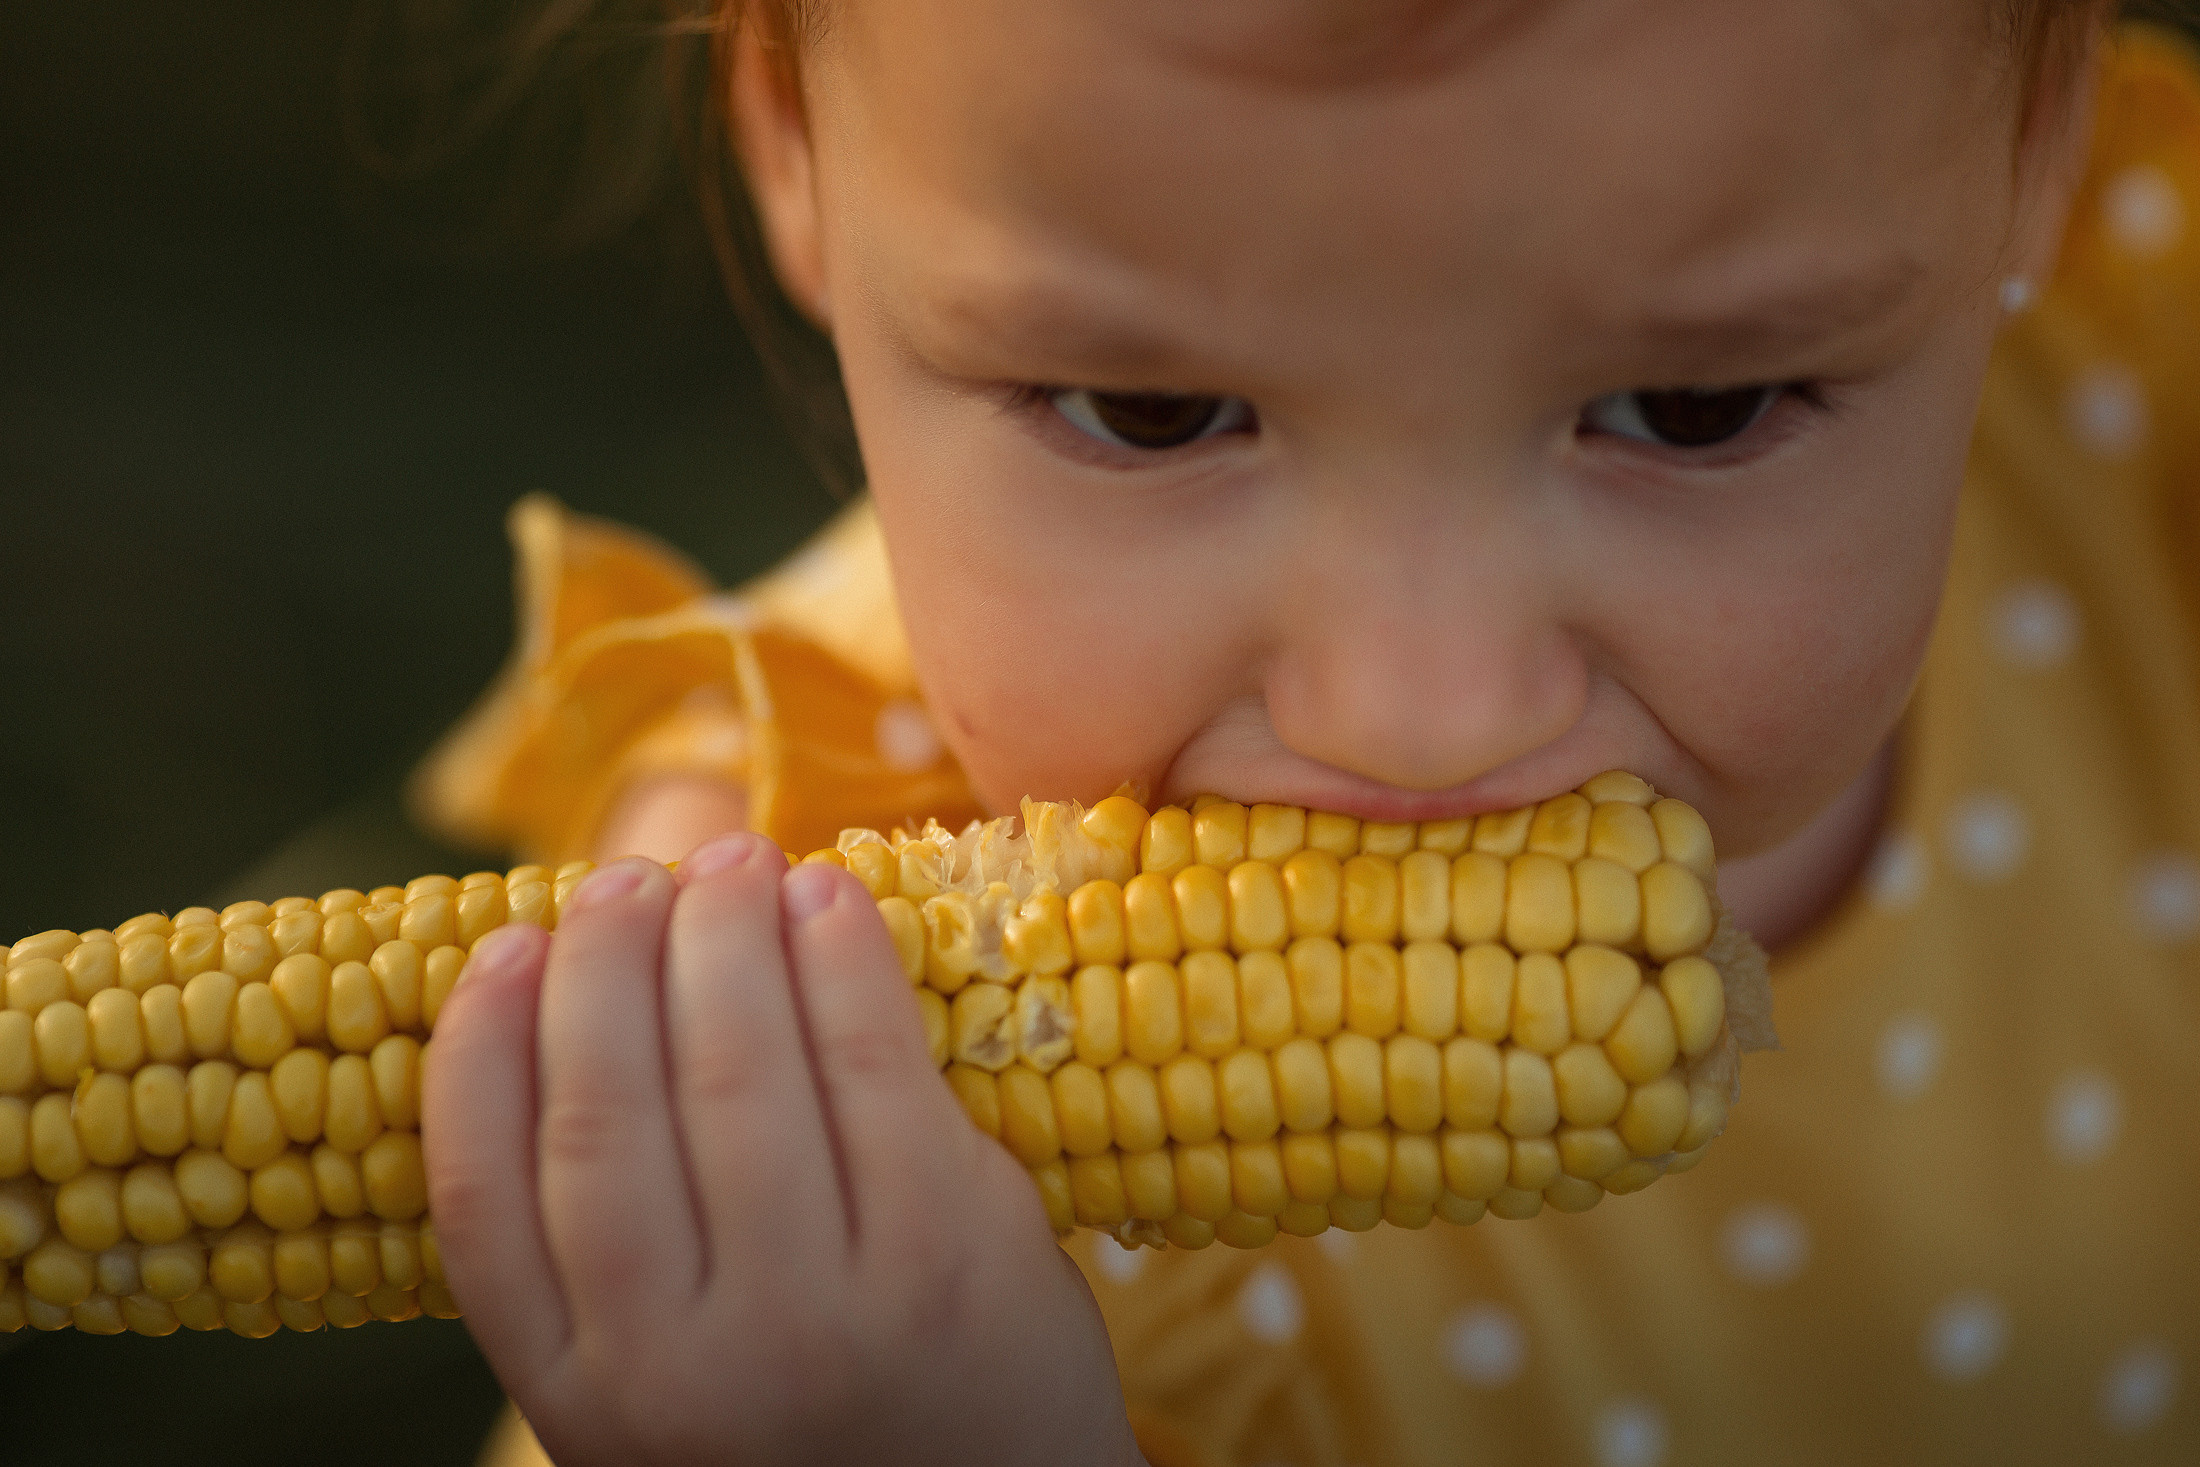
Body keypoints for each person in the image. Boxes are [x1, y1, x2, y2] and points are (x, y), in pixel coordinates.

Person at [410, 2, 2200, 1462]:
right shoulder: (812, 1117)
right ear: (798, 147)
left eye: (1694, 408)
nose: (1424, 714)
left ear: (2032, 145)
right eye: (1156, 412)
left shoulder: (2140, 415)